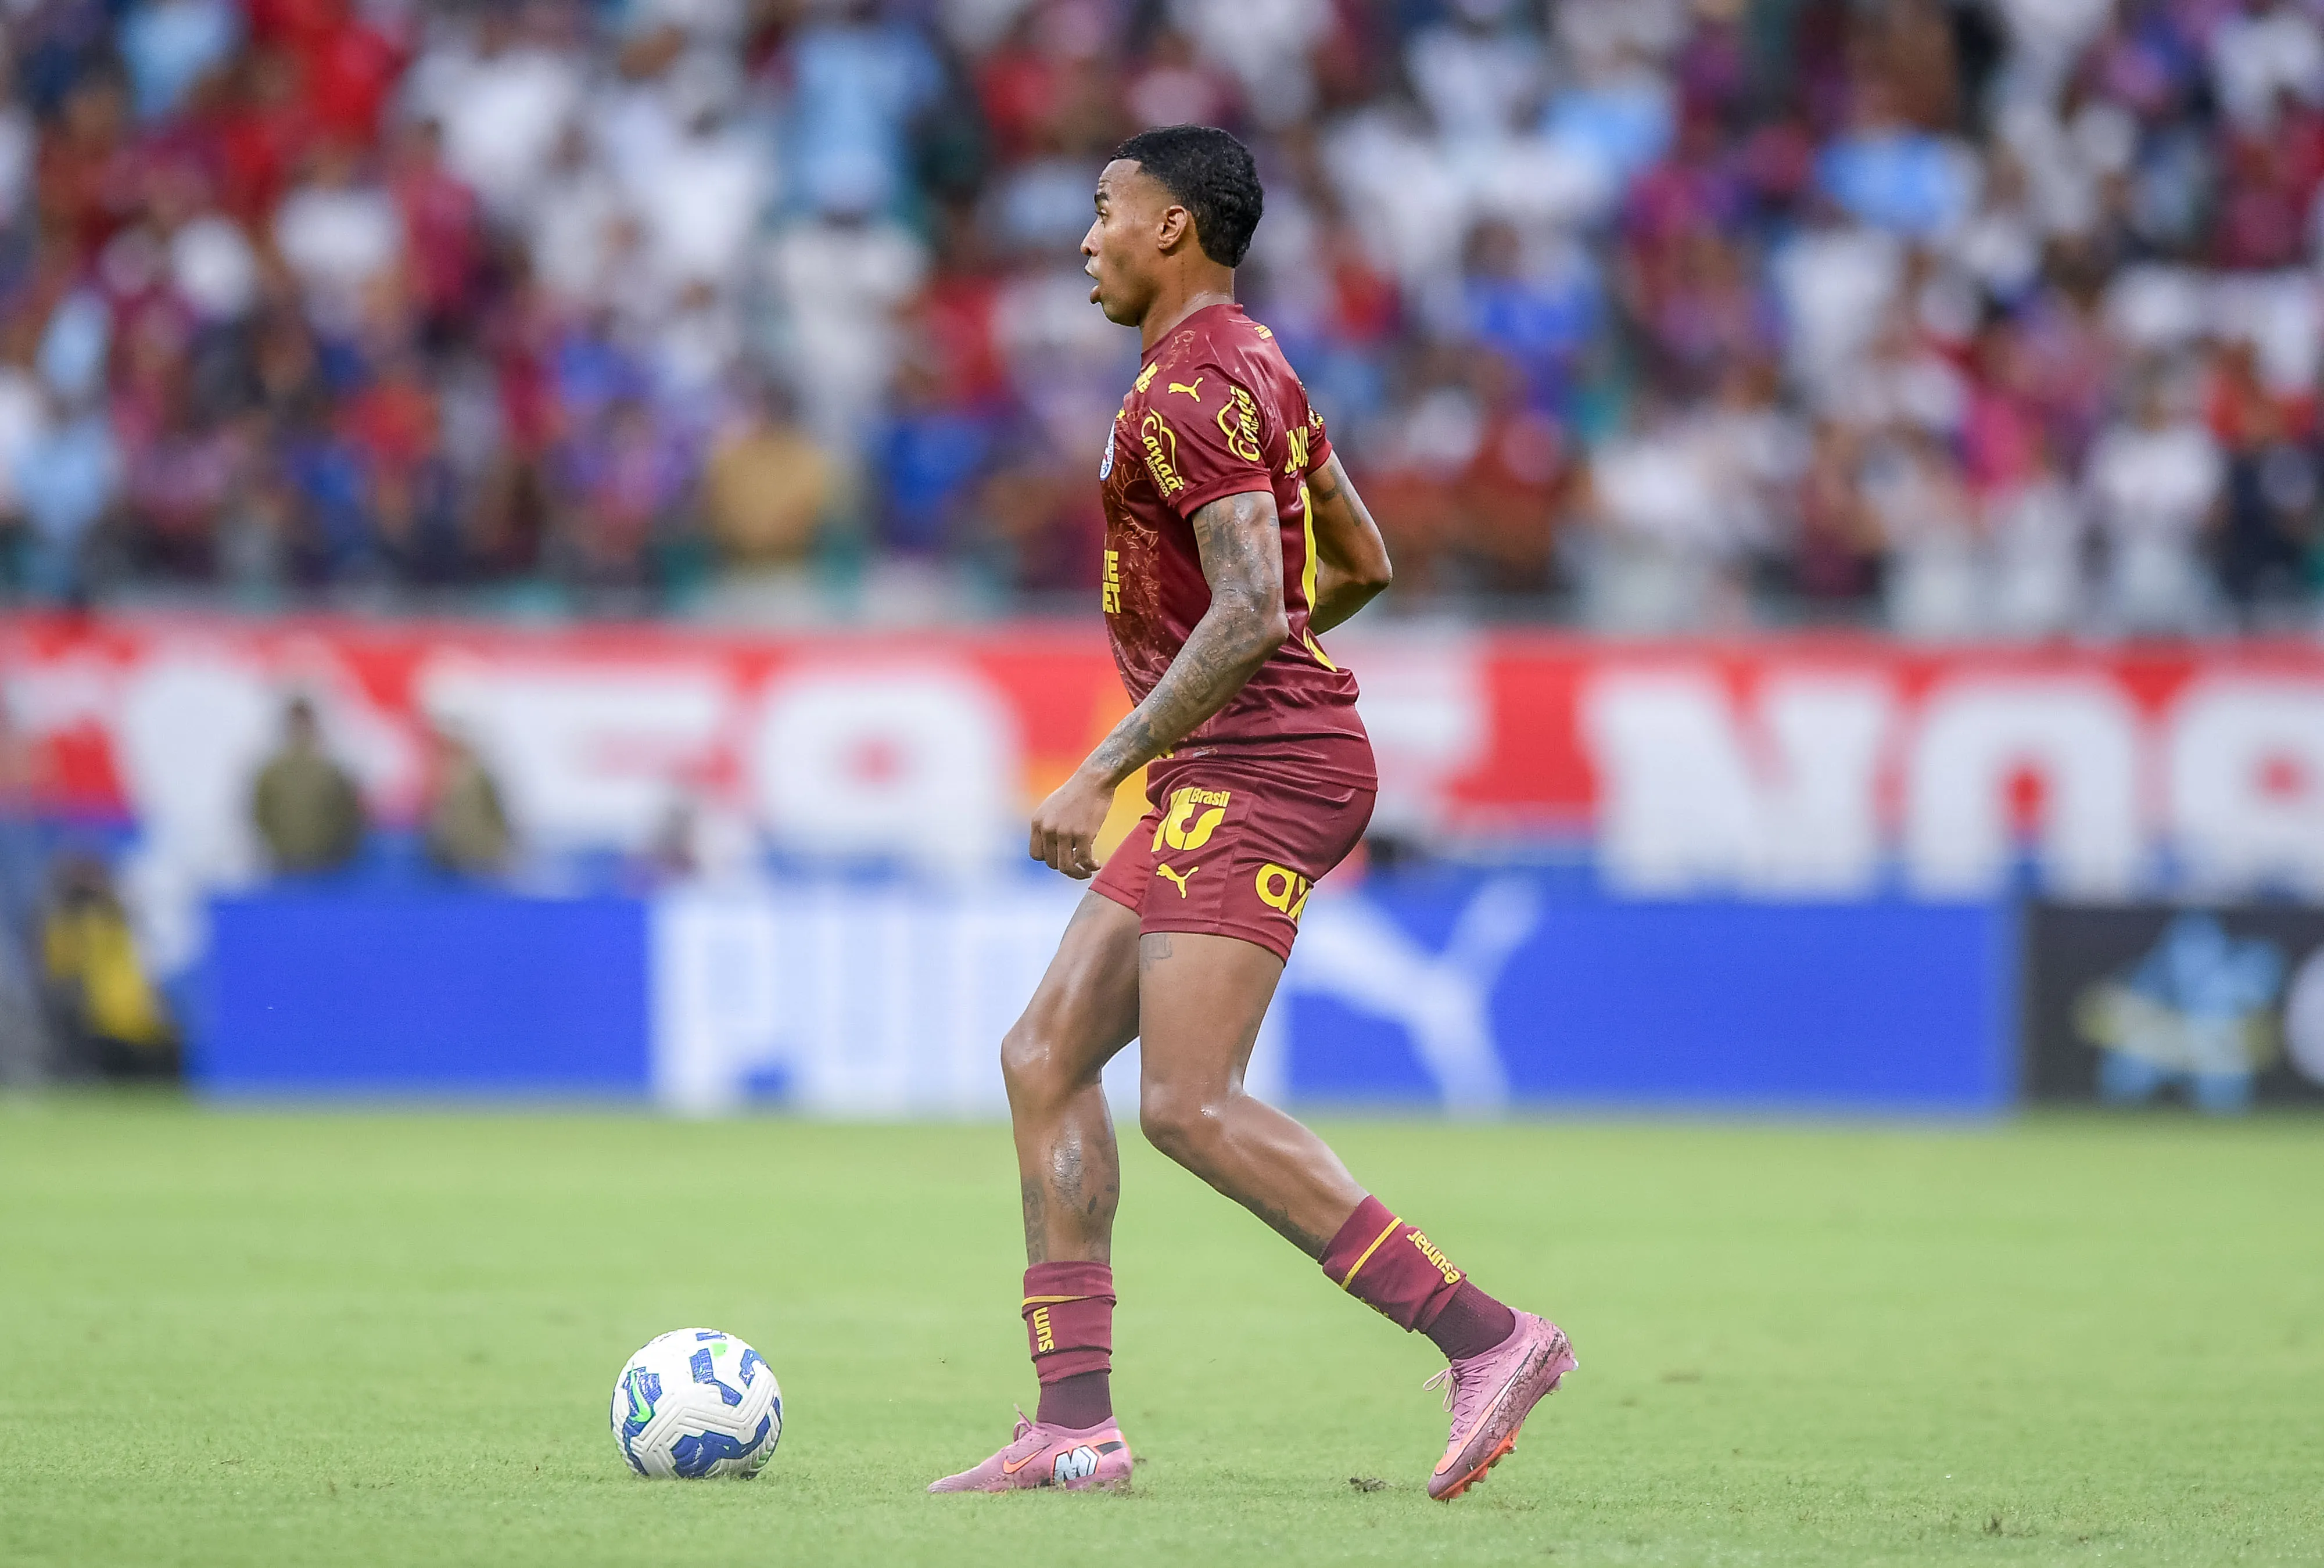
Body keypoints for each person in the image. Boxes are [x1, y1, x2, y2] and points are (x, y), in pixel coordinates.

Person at [928, 127, 1573, 1502]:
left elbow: (1249, 605)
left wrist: (1106, 761)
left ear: (1172, 229)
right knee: (1045, 1052)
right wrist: (1245, 665)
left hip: (1267, 769)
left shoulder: (1190, 389)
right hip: (1234, 750)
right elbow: (1358, 560)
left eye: (1104, 209)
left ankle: (1487, 1332)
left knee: (1187, 1102)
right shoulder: (1254, 360)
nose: (1086, 237)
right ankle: (1074, 1424)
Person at [250, 696, 365, 875]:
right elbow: (260, 813)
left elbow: (347, 816)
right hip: (286, 861)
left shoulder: (330, 771)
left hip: (323, 863)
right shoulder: (273, 772)